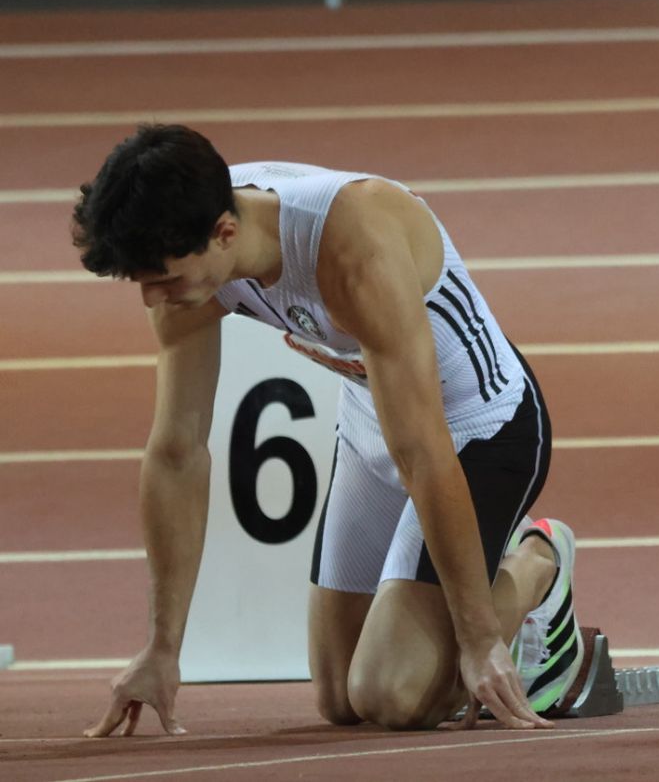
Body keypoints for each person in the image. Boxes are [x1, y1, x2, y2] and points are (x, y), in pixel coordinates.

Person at [71, 125, 586, 734]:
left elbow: (424, 448)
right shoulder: (189, 236)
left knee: (394, 696)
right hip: (374, 424)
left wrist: (477, 639)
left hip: (480, 433)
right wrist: (162, 648)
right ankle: (470, 582)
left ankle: (539, 564)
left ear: (225, 234)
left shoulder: (352, 245)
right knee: (341, 699)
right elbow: (178, 452)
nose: (153, 300)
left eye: (163, 278)